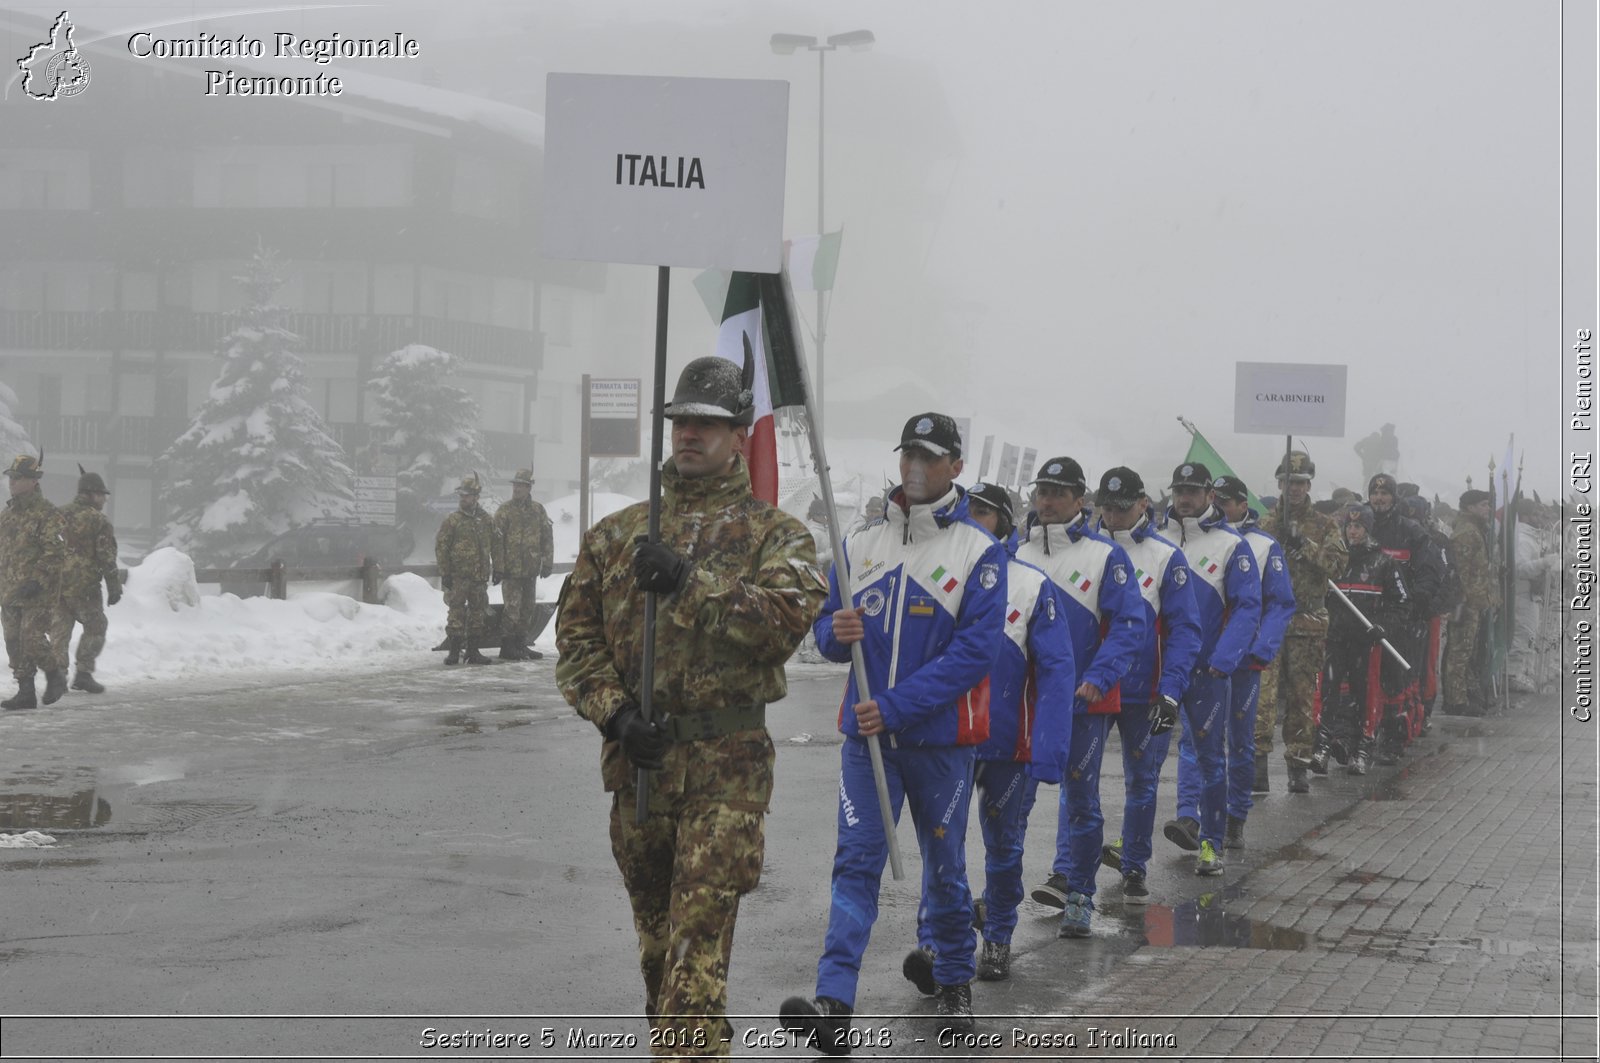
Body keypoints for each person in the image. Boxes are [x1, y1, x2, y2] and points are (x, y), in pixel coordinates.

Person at [557, 355, 826, 1059]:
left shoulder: (778, 535)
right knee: (657, 955)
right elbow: (576, 643)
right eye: (680, 421)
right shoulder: (618, 536)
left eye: (707, 423)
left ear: (739, 432)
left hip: (725, 776)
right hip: (640, 770)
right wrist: (615, 714)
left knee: (692, 956)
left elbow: (781, 624)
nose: (689, 435)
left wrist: (688, 581)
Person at [781, 412, 1005, 1047]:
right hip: (867, 742)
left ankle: (955, 983)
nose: (916, 465)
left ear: (955, 467)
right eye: (909, 452)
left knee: (944, 866)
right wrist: (834, 633)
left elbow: (975, 655)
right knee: (855, 863)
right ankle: (834, 1003)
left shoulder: (979, 553)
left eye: (930, 456)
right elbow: (827, 631)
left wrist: (899, 706)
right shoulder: (860, 545)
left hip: (941, 745)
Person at [903, 480, 1073, 985]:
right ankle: (933, 946)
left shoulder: (1032, 583)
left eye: (985, 512)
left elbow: (1058, 670)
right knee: (943, 846)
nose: (973, 519)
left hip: (1007, 745)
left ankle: (997, 936)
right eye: (968, 510)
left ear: (1006, 521)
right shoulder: (938, 569)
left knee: (1004, 851)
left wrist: (1049, 751)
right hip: (949, 738)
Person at [1018, 457, 1145, 937]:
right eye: (1041, 492)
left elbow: (1131, 624)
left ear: (1079, 500)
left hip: (1083, 703)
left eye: (1057, 492)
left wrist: (1100, 675)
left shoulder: (1105, 556)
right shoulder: (1016, 551)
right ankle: (1003, 897)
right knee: (1011, 802)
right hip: (1026, 704)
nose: (1047, 501)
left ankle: (1080, 895)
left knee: (1081, 802)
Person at [1092, 468, 1201, 900]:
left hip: (1144, 692)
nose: (1114, 515)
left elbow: (1185, 629)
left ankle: (1134, 864)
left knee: (1142, 782)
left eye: (1123, 508)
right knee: (1078, 786)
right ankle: (1068, 873)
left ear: (1143, 504)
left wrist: (1171, 690)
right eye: (1107, 507)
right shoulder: (1086, 548)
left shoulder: (1165, 555)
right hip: (1094, 688)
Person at [1158, 463, 1261, 875]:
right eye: (1179, 489)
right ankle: (1173, 826)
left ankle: (1211, 843)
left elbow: (1248, 606)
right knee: (1146, 763)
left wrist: (1223, 659)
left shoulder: (1231, 545)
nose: (1184, 497)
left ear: (1208, 495)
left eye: (1192, 490)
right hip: (1160, 670)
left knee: (1209, 755)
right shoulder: (1156, 539)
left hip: (1207, 671)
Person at [1200, 474, 1294, 843]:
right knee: (1200, 741)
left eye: (1226, 500)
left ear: (1243, 505)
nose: (1219, 505)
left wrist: (1261, 648)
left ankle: (1236, 815)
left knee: (1240, 740)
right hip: (1206, 659)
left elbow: (1280, 603)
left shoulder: (1263, 546)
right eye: (1215, 498)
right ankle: (1198, 817)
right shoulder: (1200, 540)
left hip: (1244, 661)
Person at [1258, 451, 1347, 793]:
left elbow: (1338, 566)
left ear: (1309, 485)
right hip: (1270, 620)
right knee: (1264, 696)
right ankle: (1257, 761)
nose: (1292, 489)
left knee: (1301, 696)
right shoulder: (1266, 522)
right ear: (1279, 484)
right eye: (1287, 482)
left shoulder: (1326, 525)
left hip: (1306, 620)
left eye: (1299, 483)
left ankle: (1298, 762)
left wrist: (1304, 545)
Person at [1321, 504, 1409, 774]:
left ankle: (1364, 742)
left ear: (1368, 529)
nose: (1353, 531)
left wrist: (1384, 625)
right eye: (1349, 526)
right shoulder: (1337, 560)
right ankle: (1326, 740)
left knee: (1365, 692)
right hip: (1336, 637)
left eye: (1358, 526)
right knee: (1330, 691)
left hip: (1365, 640)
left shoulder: (1384, 562)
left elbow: (1401, 602)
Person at [1366, 473, 1443, 761]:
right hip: (1365, 616)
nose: (1379, 499)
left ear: (1394, 498)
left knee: (1396, 681)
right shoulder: (1360, 526)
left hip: (1401, 619)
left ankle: (1393, 740)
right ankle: (1365, 734)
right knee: (1363, 680)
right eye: (1374, 493)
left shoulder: (1411, 531)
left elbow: (1430, 571)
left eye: (1385, 494)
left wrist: (1415, 603)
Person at [0, 454, 66, 710]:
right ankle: (25, 691)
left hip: (36, 591)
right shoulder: (7, 515)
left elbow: (55, 551)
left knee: (32, 638)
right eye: (11, 478)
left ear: (33, 481)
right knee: (13, 640)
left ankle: (54, 674)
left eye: (17, 478)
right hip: (9, 590)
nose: (12, 483)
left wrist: (37, 580)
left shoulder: (48, 514)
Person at [50, 465, 121, 694]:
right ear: (90, 494)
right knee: (97, 625)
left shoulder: (58, 514)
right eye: (101, 495)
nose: (103, 500)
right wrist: (114, 585)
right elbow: (106, 556)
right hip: (85, 587)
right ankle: (83, 673)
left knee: (59, 631)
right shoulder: (98, 521)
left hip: (57, 585)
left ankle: (58, 675)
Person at [1442, 489, 1498, 715]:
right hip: (1465, 602)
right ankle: (1456, 701)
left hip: (1475, 601)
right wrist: (1463, 602)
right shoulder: (1466, 532)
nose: (1488, 509)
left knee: (1468, 650)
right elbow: (1461, 573)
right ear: (1470, 507)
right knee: (1459, 651)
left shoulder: (1475, 530)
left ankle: (1466, 694)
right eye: (1484, 505)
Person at [492, 468, 554, 661]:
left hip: (530, 569)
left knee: (528, 608)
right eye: (515, 485)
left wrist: (547, 562)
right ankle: (507, 647)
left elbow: (546, 537)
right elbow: (496, 541)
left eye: (521, 486)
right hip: (511, 571)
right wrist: (499, 567)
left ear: (529, 488)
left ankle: (521, 644)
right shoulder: (505, 511)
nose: (517, 489)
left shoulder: (538, 510)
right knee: (512, 609)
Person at [435, 473, 495, 665]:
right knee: (456, 613)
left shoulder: (486, 520)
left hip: (479, 576)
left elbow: (495, 544)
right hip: (458, 576)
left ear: (476, 497)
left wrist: (498, 568)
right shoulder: (452, 520)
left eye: (467, 495)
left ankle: (473, 651)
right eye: (461, 496)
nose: (463, 499)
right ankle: (454, 651)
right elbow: (441, 547)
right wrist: (445, 573)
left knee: (478, 613)